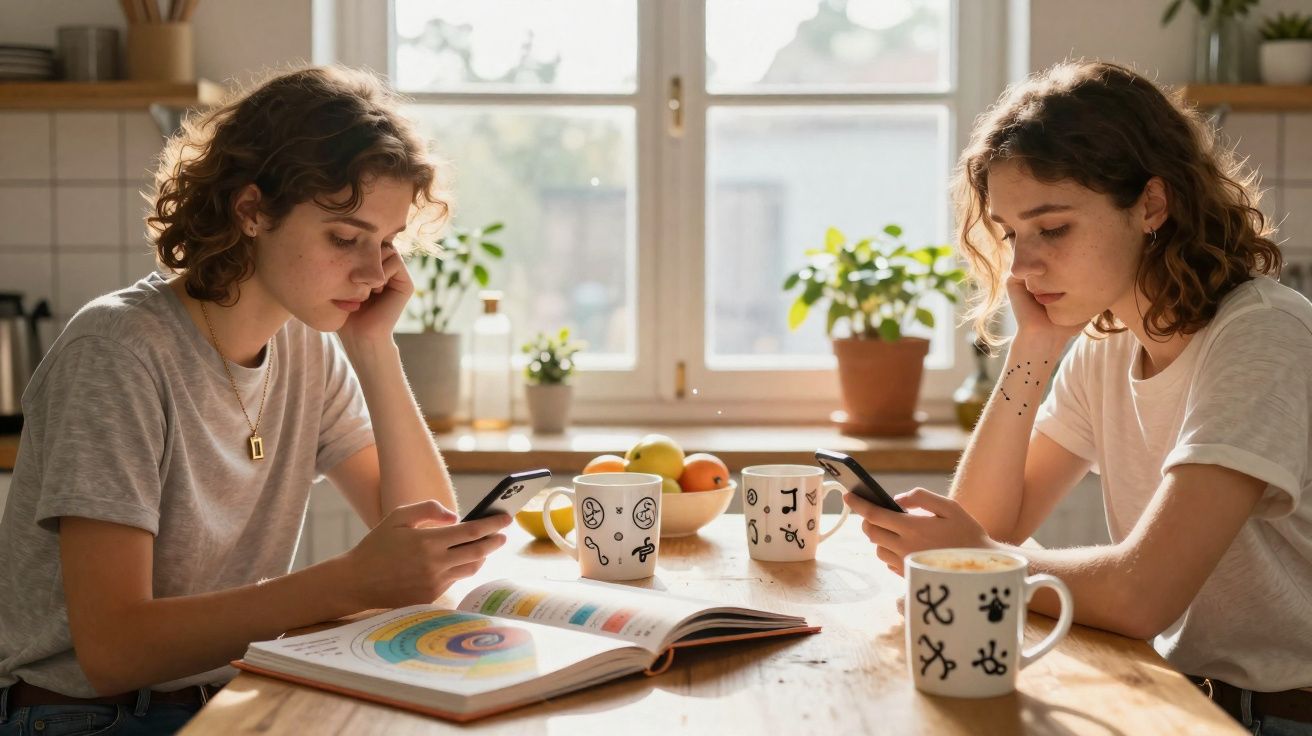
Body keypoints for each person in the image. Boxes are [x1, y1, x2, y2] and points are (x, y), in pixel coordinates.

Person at [0, 66, 510, 735]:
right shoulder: (118, 350)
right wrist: (347, 582)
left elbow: (426, 536)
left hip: (226, 694)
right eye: (345, 238)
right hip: (88, 718)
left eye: (385, 244)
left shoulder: (307, 347)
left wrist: (374, 347)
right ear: (251, 211)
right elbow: (113, 651)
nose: (374, 272)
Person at [844, 60, 1312, 734]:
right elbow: (988, 521)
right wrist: (1033, 347)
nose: (1023, 265)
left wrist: (988, 557)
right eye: (1012, 234)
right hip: (1188, 699)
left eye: (1053, 228)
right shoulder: (1110, 342)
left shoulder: (1263, 335)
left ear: (1151, 205)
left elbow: (1141, 592)